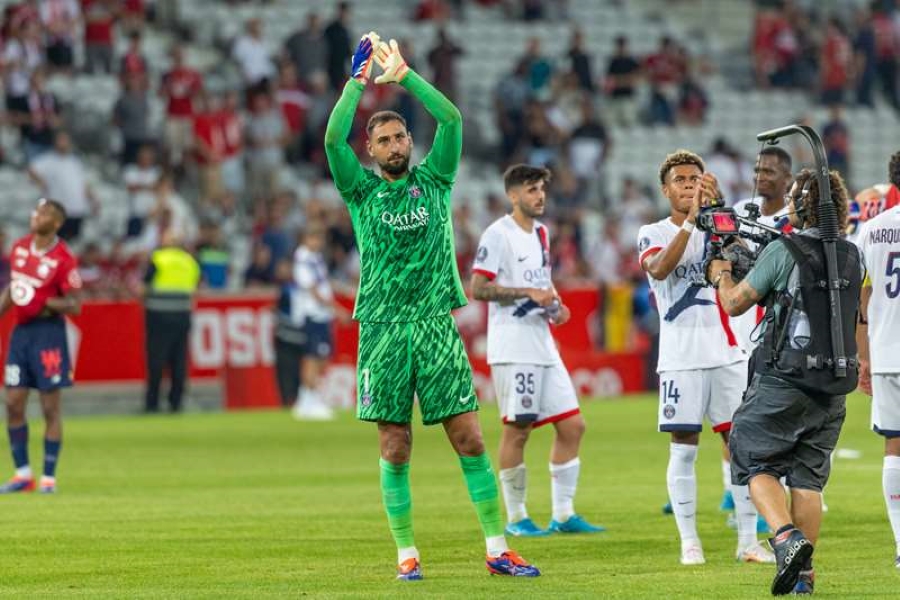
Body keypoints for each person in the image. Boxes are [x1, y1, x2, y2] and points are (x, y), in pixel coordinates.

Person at [325, 33, 539, 580]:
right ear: (371, 152)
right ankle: (406, 554)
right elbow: (331, 142)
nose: (396, 145)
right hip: (381, 328)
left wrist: (405, 78)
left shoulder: (436, 179)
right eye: (385, 140)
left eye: (400, 137)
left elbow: (453, 121)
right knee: (395, 444)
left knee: (468, 435)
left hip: (435, 323)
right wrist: (355, 85)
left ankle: (497, 547)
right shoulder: (361, 193)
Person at [711, 168, 861, 595]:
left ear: (805, 204)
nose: (789, 205)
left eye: (795, 198)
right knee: (808, 479)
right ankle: (805, 579)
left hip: (786, 377)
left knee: (750, 455)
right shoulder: (852, 252)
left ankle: (784, 537)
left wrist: (723, 272)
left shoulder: (784, 248)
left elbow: (736, 303)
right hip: (833, 384)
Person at [637, 150, 772, 566]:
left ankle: (748, 542)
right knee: (684, 448)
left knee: (741, 447)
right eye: (680, 180)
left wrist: (717, 217)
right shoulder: (652, 231)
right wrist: (693, 223)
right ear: (666, 189)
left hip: (729, 353)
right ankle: (689, 542)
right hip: (681, 357)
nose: (689, 185)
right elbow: (659, 269)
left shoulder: (719, 225)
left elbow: (748, 267)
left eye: (695, 178)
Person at [471, 164, 604, 537]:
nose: (540, 195)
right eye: (531, 189)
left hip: (543, 343)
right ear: (513, 195)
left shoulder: (543, 233)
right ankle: (516, 519)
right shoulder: (498, 234)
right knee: (519, 430)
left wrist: (554, 306)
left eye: (542, 188)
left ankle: (563, 515)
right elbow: (479, 288)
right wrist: (527, 294)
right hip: (513, 346)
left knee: (573, 425)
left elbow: (540, 283)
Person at [0, 199, 82, 493]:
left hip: (49, 334)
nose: (37, 216)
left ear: (57, 222)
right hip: (21, 334)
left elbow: (75, 305)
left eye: (45, 213)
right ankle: (23, 475)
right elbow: (15, 289)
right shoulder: (20, 247)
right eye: (36, 211)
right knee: (12, 403)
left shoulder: (63, 258)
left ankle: (49, 478)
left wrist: (42, 301)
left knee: (49, 407)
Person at [855, 150, 900, 570]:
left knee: (894, 444)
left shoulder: (871, 230)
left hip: (887, 352)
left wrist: (862, 357)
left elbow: (861, 297)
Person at [286, 225, 345, 421]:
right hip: (312, 314)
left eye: (320, 238)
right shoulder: (303, 260)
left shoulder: (315, 258)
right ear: (306, 239)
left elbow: (324, 283)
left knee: (320, 357)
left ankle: (306, 399)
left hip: (321, 315)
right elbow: (312, 290)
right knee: (312, 357)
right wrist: (336, 308)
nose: (317, 242)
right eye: (314, 238)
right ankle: (309, 401)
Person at [141, 229, 200, 413]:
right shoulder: (190, 261)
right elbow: (196, 287)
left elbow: (144, 286)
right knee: (179, 361)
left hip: (159, 316)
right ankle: (176, 402)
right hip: (182, 316)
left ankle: (153, 404)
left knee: (156, 361)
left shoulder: (159, 258)